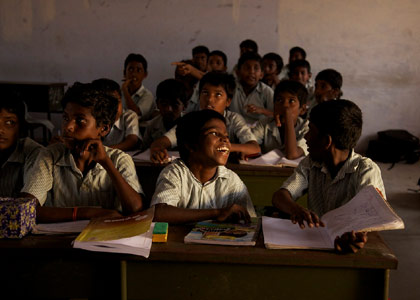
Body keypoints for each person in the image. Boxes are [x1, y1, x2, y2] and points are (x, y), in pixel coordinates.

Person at [272, 99, 386, 253]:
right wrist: (295, 209)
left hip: (348, 251)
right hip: (316, 244)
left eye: (311, 130)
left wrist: (354, 237)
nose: (306, 137)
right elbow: (280, 196)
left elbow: (370, 220)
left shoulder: (365, 170)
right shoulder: (311, 163)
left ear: (326, 141)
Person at [21, 83, 143, 222]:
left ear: (103, 129)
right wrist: (88, 213)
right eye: (66, 118)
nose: (68, 127)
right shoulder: (50, 155)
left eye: (80, 121)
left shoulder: (119, 160)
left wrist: (106, 162)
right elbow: (26, 210)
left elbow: (135, 209)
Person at [151, 109, 256, 224]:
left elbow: (250, 220)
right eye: (215, 133)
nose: (225, 139)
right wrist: (216, 213)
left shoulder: (231, 181)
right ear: (191, 144)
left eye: (226, 136)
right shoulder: (175, 173)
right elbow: (159, 213)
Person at [150, 72, 260, 164]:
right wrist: (157, 150)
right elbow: (161, 142)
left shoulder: (234, 119)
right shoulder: (191, 119)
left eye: (218, 95)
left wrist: (222, 147)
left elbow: (254, 148)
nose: (209, 100)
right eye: (205, 93)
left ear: (228, 101)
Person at [0, 95, 44, 197]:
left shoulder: (33, 153)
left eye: (9, 122)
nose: (0, 130)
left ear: (21, 127)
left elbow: (28, 204)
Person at [252, 80, 308, 158]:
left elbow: (292, 155)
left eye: (291, 101)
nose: (284, 106)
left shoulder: (306, 127)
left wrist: (288, 116)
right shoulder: (265, 124)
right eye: (279, 100)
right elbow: (250, 145)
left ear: (302, 109)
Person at [92, 78, 140, 151]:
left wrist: (104, 151)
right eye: (108, 104)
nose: (114, 108)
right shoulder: (92, 117)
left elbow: (132, 141)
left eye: (117, 102)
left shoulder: (129, 116)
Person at [142, 79, 188, 149]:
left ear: (185, 106)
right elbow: (144, 151)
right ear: (157, 104)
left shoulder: (190, 124)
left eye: (174, 105)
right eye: (164, 104)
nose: (168, 109)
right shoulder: (152, 126)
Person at [230, 52, 274, 124]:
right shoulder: (231, 87)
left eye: (256, 68)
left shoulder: (266, 91)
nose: (251, 72)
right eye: (247, 68)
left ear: (261, 75)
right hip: (233, 128)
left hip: (258, 131)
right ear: (238, 72)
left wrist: (262, 110)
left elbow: (277, 115)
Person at [121, 53, 155, 121]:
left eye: (139, 70)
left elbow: (134, 114)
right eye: (130, 70)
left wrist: (125, 91)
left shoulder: (148, 95)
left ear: (145, 74)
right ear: (124, 73)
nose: (134, 74)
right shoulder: (118, 93)